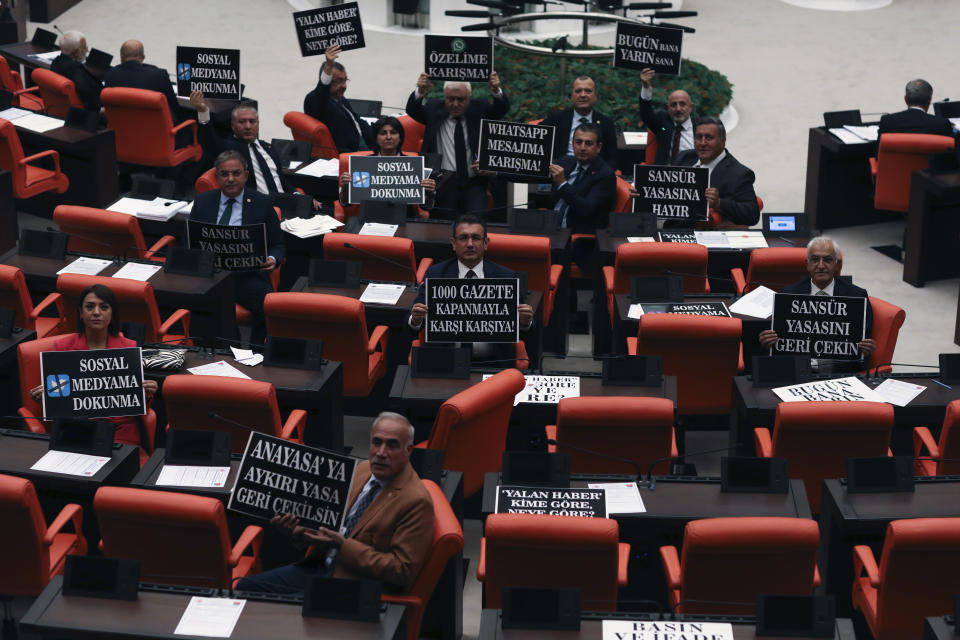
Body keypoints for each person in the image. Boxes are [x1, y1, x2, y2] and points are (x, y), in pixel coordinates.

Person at [235, 412, 434, 594]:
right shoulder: (363, 469)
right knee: (245, 588)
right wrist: (299, 533)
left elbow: (402, 570)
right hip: (319, 566)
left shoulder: (415, 501)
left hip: (353, 586)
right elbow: (329, 524)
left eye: (392, 445)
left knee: (280, 611)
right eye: (376, 442)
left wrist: (342, 545)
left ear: (408, 451)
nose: (381, 452)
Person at [29, 284, 158, 454]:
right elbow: (59, 397)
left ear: (112, 314)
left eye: (104, 307)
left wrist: (146, 395)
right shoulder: (62, 348)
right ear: (81, 313)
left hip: (119, 434)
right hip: (75, 432)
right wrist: (44, 398)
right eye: (90, 307)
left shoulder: (128, 348)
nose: (96, 312)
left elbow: (135, 407)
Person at [409, 215, 533, 366]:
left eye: (476, 238)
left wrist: (524, 321)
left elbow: (521, 324)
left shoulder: (505, 276)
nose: (469, 244)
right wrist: (416, 319)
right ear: (453, 244)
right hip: (447, 361)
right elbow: (413, 321)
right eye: (463, 238)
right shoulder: (436, 274)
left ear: (486, 243)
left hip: (494, 362)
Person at [189, 150, 285, 346]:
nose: (230, 179)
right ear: (217, 177)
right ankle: (213, 351)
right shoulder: (203, 202)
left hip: (247, 276)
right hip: (211, 276)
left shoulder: (261, 203)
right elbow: (188, 240)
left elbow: (278, 243)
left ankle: (256, 352)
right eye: (224, 174)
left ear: (246, 175)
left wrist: (273, 259)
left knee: (267, 304)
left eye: (236, 173)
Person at [759, 236, 875, 368]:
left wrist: (867, 348)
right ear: (807, 264)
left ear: (837, 264)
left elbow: (864, 340)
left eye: (827, 260)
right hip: (798, 370)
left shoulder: (857, 296)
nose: (821, 266)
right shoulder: (789, 293)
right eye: (815, 260)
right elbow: (780, 339)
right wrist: (768, 341)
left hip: (839, 372)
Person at [405, 71, 509, 216]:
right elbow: (412, 109)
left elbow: (500, 110)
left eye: (461, 99)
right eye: (450, 99)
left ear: (469, 97)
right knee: (441, 226)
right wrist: (421, 91)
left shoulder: (479, 108)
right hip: (442, 182)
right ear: (444, 96)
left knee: (476, 219)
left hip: (474, 181)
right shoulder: (434, 109)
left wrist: (496, 90)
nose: (455, 104)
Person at [190, 92, 294, 196]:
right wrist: (203, 111)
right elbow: (209, 140)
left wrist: (296, 194)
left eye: (252, 121)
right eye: (242, 122)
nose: (248, 126)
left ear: (258, 124)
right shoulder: (229, 149)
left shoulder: (268, 148)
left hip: (284, 204)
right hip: (257, 207)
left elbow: (282, 181)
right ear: (233, 126)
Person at [673, 117, 760, 228]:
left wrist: (719, 203)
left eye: (709, 138)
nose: (703, 143)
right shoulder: (684, 158)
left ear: (723, 140)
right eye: (699, 137)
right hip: (669, 230)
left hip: (704, 236)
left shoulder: (739, 174)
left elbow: (752, 214)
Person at [337, 115, 436, 209]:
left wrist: (430, 193)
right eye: (383, 133)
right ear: (376, 138)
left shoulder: (413, 165)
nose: (388, 137)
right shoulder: (363, 164)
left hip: (404, 218)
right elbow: (345, 203)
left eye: (393, 132)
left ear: (400, 137)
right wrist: (345, 186)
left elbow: (426, 207)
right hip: (370, 217)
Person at [303, 44, 375, 154]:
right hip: (351, 157)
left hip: (369, 148)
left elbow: (357, 122)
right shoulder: (314, 100)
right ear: (327, 81)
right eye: (339, 81)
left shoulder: (340, 99)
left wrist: (382, 127)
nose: (344, 86)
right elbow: (321, 94)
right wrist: (328, 67)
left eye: (345, 80)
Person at [549, 122, 617, 234]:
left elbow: (586, 210)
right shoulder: (566, 162)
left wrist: (562, 184)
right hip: (550, 225)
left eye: (588, 143)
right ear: (572, 144)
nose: (582, 148)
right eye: (578, 142)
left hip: (576, 234)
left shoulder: (605, 175)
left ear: (598, 147)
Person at [540, 76, 619, 169]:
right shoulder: (556, 119)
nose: (583, 95)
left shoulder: (606, 123)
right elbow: (535, 142)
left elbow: (613, 159)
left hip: (593, 175)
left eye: (588, 91)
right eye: (578, 91)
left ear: (595, 96)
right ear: (572, 95)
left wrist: (600, 175)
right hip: (559, 172)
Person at [103, 39, 179, 118]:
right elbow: (174, 105)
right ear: (143, 57)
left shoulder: (109, 75)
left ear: (122, 57)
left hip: (122, 128)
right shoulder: (159, 75)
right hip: (154, 128)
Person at [638, 68, 695, 166]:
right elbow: (646, 115)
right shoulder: (663, 124)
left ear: (690, 107)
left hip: (690, 176)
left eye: (682, 104)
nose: (678, 109)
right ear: (668, 108)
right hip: (663, 176)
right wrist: (646, 87)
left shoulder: (700, 127)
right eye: (673, 105)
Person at [878, 79, 954, 137]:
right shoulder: (941, 124)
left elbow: (878, 154)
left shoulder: (887, 122)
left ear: (905, 99)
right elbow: (951, 157)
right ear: (930, 100)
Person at [49, 30, 102, 112]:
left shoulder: (56, 62)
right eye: (85, 47)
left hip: (58, 109)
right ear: (76, 52)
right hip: (85, 117)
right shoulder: (76, 69)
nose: (87, 50)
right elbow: (92, 99)